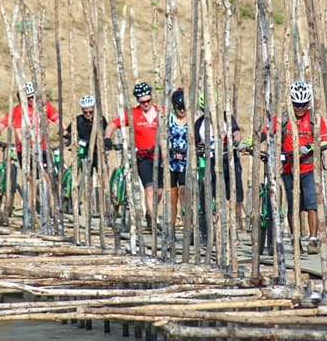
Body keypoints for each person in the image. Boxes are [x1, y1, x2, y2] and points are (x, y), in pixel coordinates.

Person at [268, 80, 327, 250]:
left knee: (311, 204)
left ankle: (313, 239)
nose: (300, 108)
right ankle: (296, 239)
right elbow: (265, 132)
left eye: (303, 105)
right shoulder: (283, 118)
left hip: (308, 168)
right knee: (292, 205)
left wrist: (309, 147)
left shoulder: (314, 119)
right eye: (297, 105)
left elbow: (326, 142)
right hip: (288, 168)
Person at [103, 81, 162, 224]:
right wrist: (107, 138)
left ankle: (150, 212)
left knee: (159, 191)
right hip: (143, 157)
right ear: (138, 101)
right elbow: (112, 124)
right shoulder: (133, 114)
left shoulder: (161, 111)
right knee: (149, 189)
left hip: (159, 156)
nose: (146, 104)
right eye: (143, 102)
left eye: (148, 101)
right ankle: (155, 223)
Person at [194, 93, 245, 241]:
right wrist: (199, 149)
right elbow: (195, 142)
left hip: (229, 160)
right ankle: (214, 226)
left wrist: (236, 141)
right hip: (211, 162)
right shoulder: (200, 124)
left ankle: (233, 227)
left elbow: (236, 132)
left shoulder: (226, 118)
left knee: (236, 196)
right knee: (213, 193)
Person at [0, 81, 60, 191]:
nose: (31, 100)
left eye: (33, 97)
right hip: (24, 150)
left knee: (47, 175)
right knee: (30, 177)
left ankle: (48, 198)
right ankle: (33, 200)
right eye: (28, 98)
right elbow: (5, 125)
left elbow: (58, 120)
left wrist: (67, 130)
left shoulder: (45, 106)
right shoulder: (18, 110)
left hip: (42, 148)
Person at [166, 88, 191, 229]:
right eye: (179, 108)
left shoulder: (191, 119)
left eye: (184, 108)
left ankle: (188, 224)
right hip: (171, 163)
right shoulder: (169, 119)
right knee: (172, 197)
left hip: (185, 163)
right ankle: (172, 227)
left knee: (183, 193)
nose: (182, 111)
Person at [63, 95, 107, 171]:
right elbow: (66, 131)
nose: (88, 114)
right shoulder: (78, 119)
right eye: (85, 112)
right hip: (82, 150)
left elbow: (106, 132)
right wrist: (68, 136)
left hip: (97, 151)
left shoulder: (100, 119)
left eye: (91, 112)